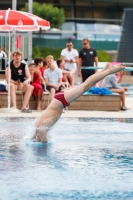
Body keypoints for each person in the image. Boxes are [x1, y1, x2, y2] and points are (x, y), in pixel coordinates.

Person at [32, 63, 125, 142]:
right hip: (59, 100)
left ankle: (110, 71)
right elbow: (36, 137)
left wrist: (43, 143)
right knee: (86, 85)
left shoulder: (41, 127)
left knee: (86, 85)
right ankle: (106, 70)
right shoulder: (38, 126)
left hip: (61, 101)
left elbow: (43, 141)